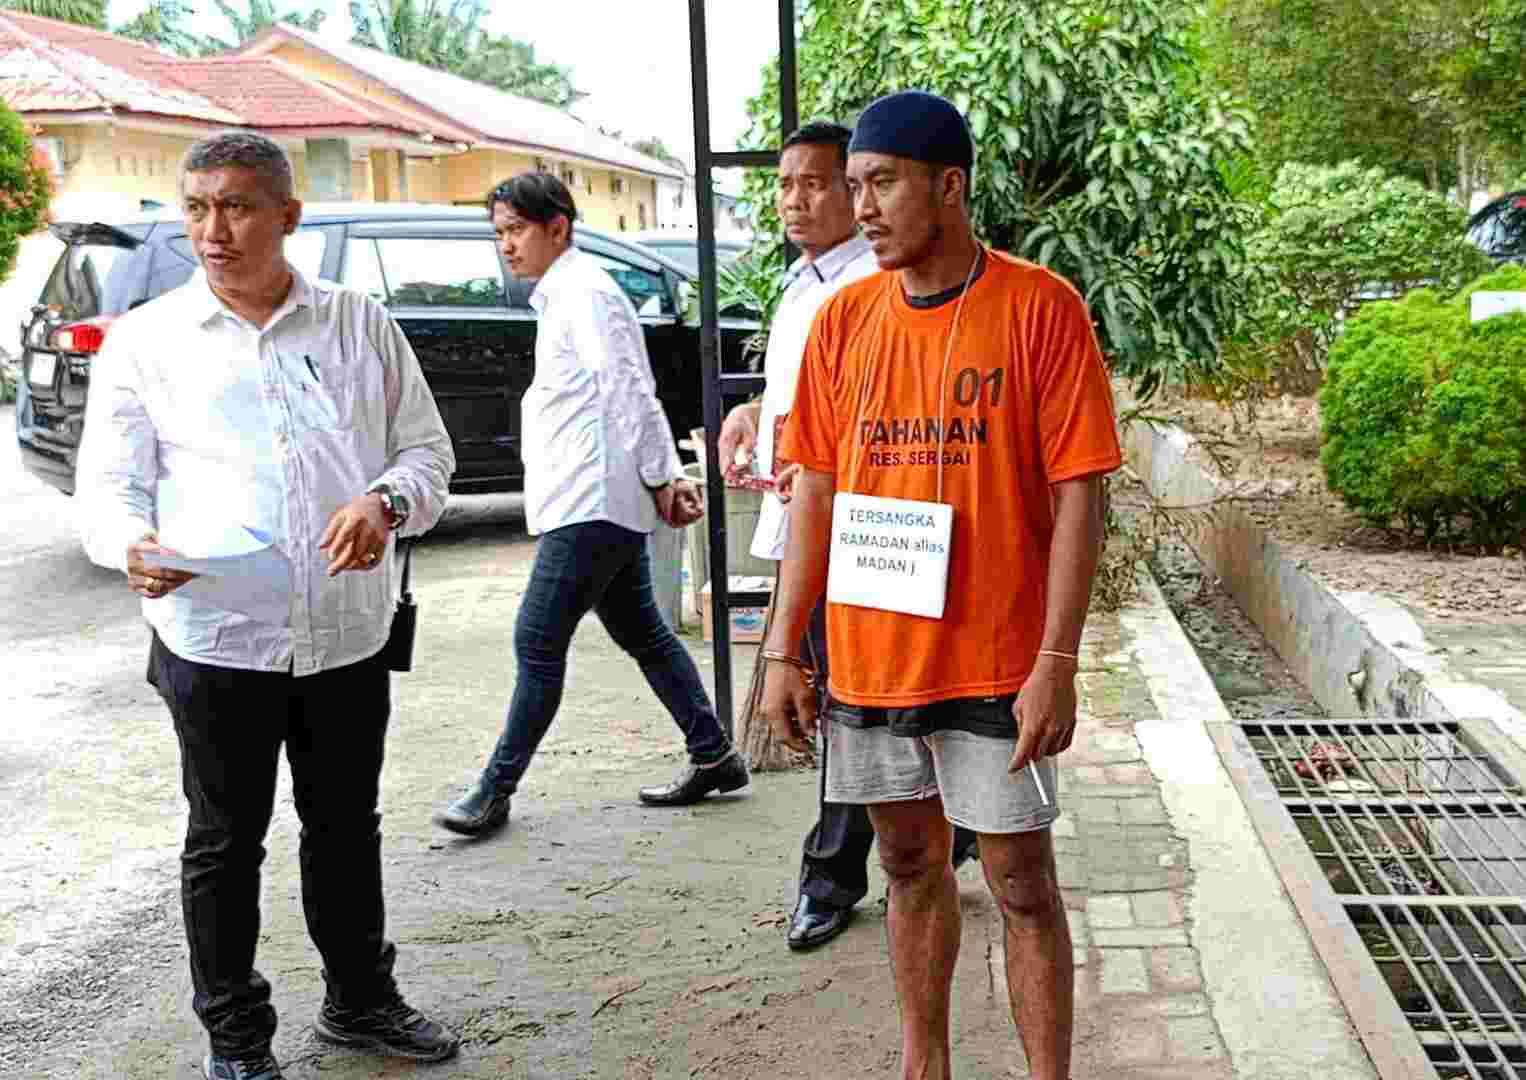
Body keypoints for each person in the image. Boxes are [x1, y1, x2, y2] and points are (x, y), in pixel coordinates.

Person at [76, 131, 459, 1080]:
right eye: (197, 206)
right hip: (215, 637)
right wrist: (132, 548)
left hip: (344, 633)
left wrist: (386, 503)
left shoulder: (358, 324)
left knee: (343, 825)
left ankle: (360, 1002)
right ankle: (237, 1040)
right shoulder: (148, 342)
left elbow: (428, 456)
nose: (214, 229)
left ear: (288, 216)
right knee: (223, 842)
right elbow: (110, 487)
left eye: (238, 206)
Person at [759, 91, 1122, 1080]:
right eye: (854, 186)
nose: (859, 206)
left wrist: (1056, 660)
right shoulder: (841, 322)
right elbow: (815, 495)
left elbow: (1078, 491)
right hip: (873, 656)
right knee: (908, 863)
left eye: (880, 184)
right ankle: (926, 1065)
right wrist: (783, 650)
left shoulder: (1039, 308)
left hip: (999, 660)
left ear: (948, 186)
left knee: (1017, 876)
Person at [717, 121, 978, 953]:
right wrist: (755, 417)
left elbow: (909, 419)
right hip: (815, 528)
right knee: (862, 710)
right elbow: (807, 396)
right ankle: (951, 834)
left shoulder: (885, 281)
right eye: (786, 184)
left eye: (819, 183)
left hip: (873, 536)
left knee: (859, 710)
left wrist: (832, 469)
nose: (800, 200)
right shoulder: (808, 285)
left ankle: (832, 876)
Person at [434, 173, 748, 836]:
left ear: (559, 228)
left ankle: (495, 789)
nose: (506, 247)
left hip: (594, 500)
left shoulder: (586, 294)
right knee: (643, 633)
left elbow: (629, 389)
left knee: (537, 639)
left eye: (516, 230)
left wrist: (665, 475)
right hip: (591, 496)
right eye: (499, 234)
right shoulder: (565, 295)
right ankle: (714, 753)